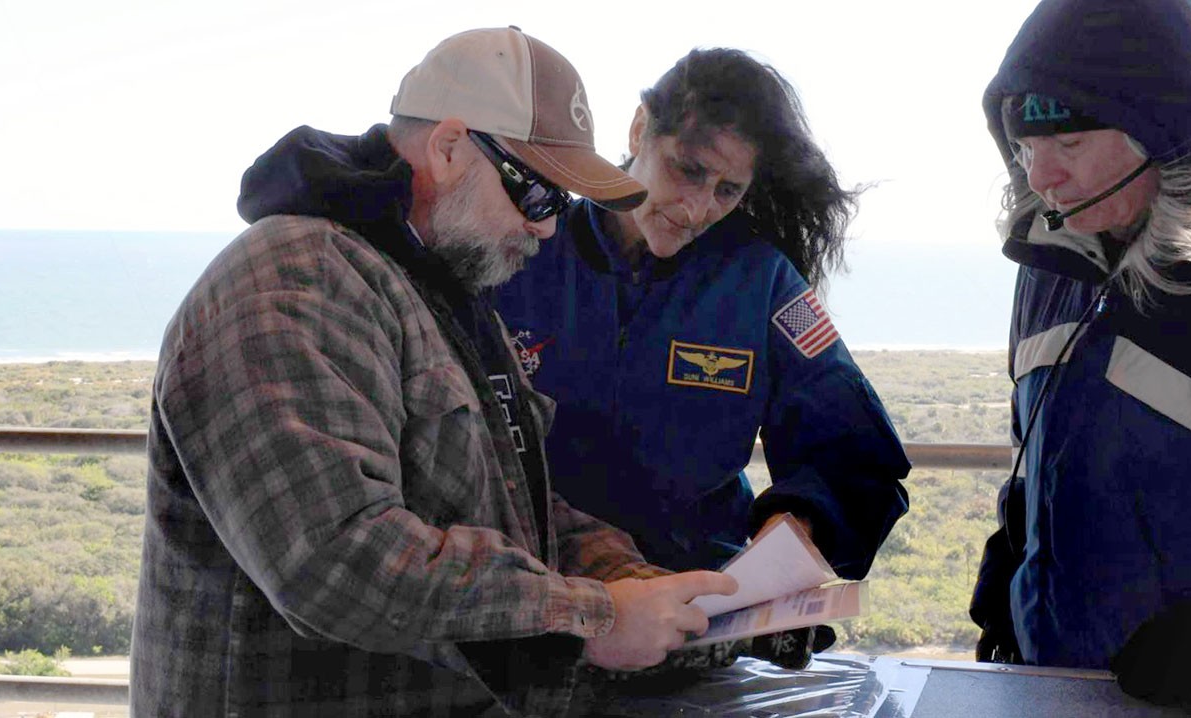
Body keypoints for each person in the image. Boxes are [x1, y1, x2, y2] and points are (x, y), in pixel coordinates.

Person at [129, 26, 741, 717]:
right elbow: (337, 560)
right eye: (537, 195)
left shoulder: (440, 290)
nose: (546, 229)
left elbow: (516, 504)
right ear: (451, 148)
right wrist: (594, 617)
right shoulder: (292, 283)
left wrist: (626, 576)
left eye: (560, 207)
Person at [493, 48, 911, 579]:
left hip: (699, 610)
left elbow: (854, 455)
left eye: (727, 190)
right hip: (533, 599)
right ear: (639, 129)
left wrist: (795, 529)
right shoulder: (523, 251)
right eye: (687, 170)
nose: (697, 209)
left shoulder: (766, 284)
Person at [968, 0, 1191, 705]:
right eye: (1025, 147)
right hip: (1052, 683)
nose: (1040, 178)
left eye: (1069, 146)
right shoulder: (1049, 267)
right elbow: (1037, 449)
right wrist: (1010, 556)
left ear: (1166, 130)